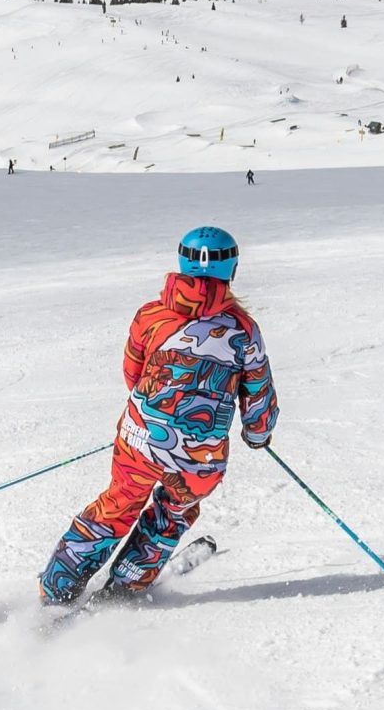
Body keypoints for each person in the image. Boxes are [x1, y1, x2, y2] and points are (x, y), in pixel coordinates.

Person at [38, 226, 279, 604]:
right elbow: (258, 390)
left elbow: (133, 373)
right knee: (173, 511)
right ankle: (128, 583)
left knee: (120, 501)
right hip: (200, 457)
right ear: (232, 269)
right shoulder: (243, 330)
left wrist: (153, 418)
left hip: (140, 440)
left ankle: (60, 583)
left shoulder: (152, 316)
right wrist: (258, 432)